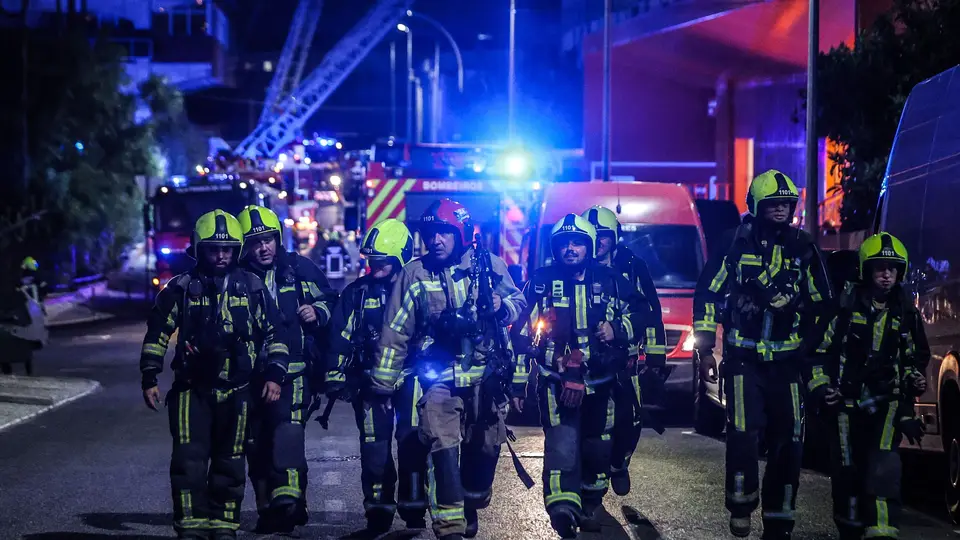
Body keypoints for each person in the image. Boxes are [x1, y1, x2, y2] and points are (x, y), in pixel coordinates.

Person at [368, 198, 526, 540]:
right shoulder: (414, 274)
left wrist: (500, 306)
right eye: (430, 233)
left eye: (443, 233)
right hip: (438, 380)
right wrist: (383, 384)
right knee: (442, 448)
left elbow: (519, 303)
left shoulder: (489, 265)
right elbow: (395, 331)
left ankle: (471, 503)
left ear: (461, 234)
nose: (435, 240)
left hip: (485, 380)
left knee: (484, 449)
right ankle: (449, 527)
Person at [693, 170, 832, 539]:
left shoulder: (804, 247)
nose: (781, 210)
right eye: (773, 204)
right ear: (756, 206)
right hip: (743, 360)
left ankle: (780, 516)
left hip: (787, 362)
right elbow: (708, 294)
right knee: (742, 433)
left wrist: (809, 348)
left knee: (791, 438)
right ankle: (741, 505)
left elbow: (823, 305)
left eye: (787, 204)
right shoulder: (733, 244)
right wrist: (706, 349)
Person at [139, 209, 290, 540]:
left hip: (238, 393)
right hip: (191, 391)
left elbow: (277, 334)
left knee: (231, 462)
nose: (220, 255)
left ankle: (224, 525)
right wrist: (150, 376)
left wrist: (275, 375)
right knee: (188, 462)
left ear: (236, 249)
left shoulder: (252, 288)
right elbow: (157, 334)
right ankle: (192, 526)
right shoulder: (180, 288)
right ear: (199, 249)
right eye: (212, 248)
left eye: (226, 249)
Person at [510, 214, 656, 538]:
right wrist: (518, 383)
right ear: (555, 249)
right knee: (562, 443)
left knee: (597, 446)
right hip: (555, 380)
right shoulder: (540, 282)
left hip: (601, 382)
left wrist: (616, 329)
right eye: (564, 244)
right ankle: (562, 507)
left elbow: (643, 312)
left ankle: (591, 501)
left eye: (577, 243)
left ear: (588, 247)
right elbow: (519, 335)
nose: (570, 249)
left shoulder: (614, 279)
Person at [808, 232, 929, 540]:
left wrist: (915, 379)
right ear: (866, 271)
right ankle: (850, 530)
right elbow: (819, 354)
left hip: (887, 402)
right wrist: (823, 390)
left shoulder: (906, 313)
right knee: (847, 471)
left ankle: (883, 532)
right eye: (879, 268)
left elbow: (915, 357)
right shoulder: (844, 309)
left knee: (883, 467)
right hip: (845, 406)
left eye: (892, 268)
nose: (886, 275)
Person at [236, 205, 336, 534]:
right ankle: (269, 507)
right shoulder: (236, 278)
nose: (263, 247)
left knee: (287, 433)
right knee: (255, 444)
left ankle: (289, 503)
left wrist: (316, 311)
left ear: (278, 239)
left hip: (294, 373)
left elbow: (330, 300)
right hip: (249, 378)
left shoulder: (296, 268)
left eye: (268, 240)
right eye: (255, 242)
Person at [325, 218, 429, 535]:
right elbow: (340, 335)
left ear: (400, 258)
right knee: (374, 447)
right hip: (370, 381)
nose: (376, 268)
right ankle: (378, 510)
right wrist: (334, 376)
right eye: (372, 261)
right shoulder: (357, 293)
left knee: (413, 442)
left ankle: (413, 508)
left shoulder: (418, 290)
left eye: (382, 262)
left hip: (412, 377)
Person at [581, 205, 667, 495]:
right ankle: (592, 482)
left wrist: (655, 356)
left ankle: (619, 463)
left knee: (629, 421)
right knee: (593, 426)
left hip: (625, 362)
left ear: (614, 237)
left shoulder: (632, 265)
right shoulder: (574, 266)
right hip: (587, 364)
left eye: (604, 235)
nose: (599, 241)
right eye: (593, 235)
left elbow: (650, 312)